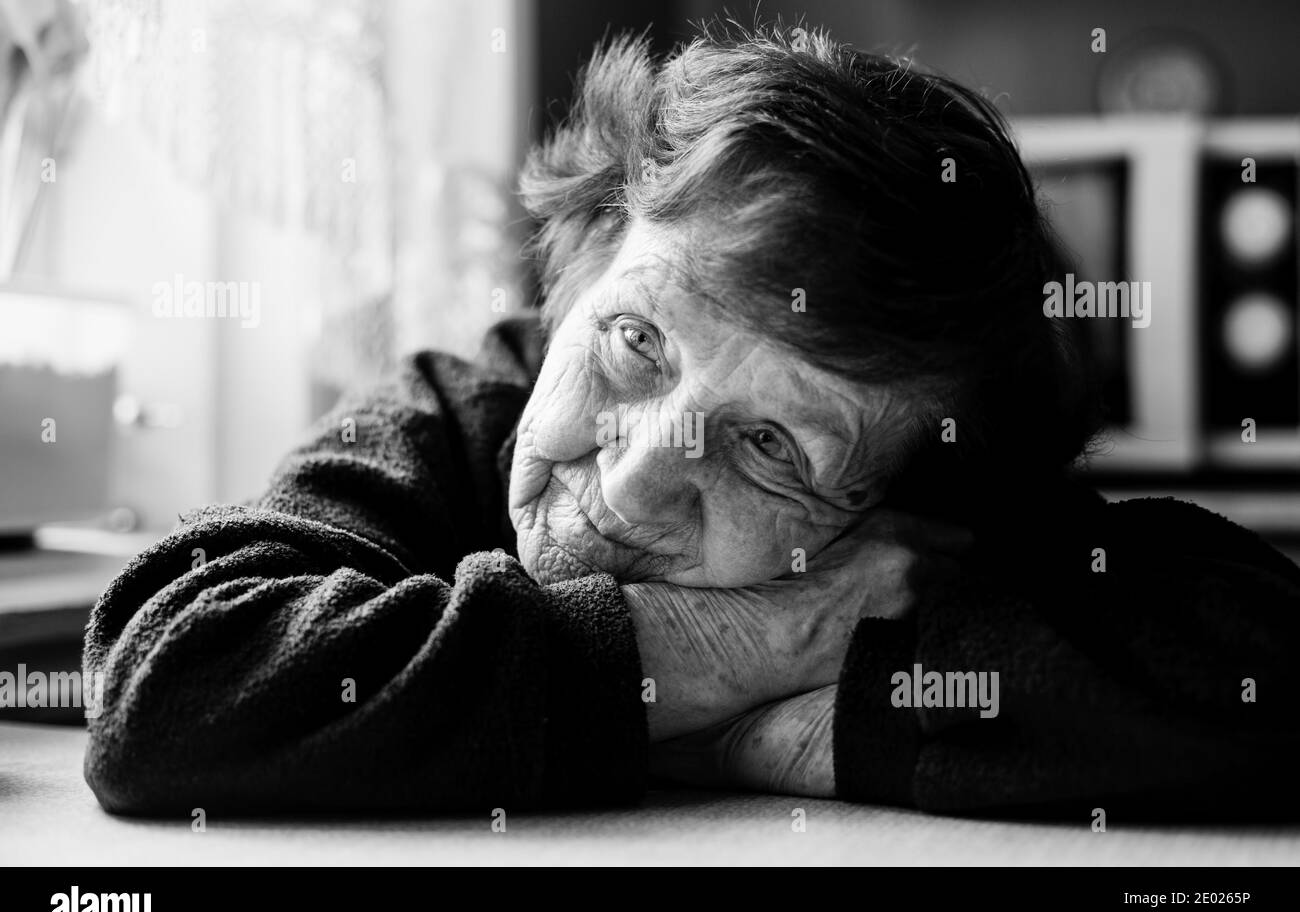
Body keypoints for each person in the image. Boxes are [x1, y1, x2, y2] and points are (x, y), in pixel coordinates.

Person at [83, 23, 1300, 819]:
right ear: (582, 270)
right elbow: (164, 685)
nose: (627, 491)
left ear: (898, 510)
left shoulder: (931, 535)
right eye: (635, 342)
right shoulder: (461, 410)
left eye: (773, 447)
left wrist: (772, 739)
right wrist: (745, 651)